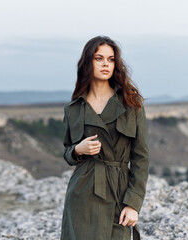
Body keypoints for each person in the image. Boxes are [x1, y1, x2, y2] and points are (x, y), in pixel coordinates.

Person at [60, 35, 149, 240]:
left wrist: (133, 203)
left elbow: (141, 157)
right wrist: (77, 150)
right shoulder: (73, 108)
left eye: (110, 59)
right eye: (99, 58)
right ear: (87, 62)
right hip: (82, 193)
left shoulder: (131, 103)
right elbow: (67, 153)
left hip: (118, 190)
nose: (105, 64)